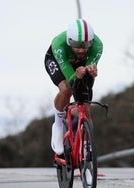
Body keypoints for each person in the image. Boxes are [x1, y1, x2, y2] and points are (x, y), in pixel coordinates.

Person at [44, 19, 103, 155]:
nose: (81, 50)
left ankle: (88, 147)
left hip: (79, 64)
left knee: (86, 107)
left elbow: (89, 71)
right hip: (58, 61)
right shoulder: (59, 44)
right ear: (69, 41)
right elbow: (71, 79)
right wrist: (76, 76)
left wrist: (91, 71)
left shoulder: (98, 46)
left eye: (86, 45)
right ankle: (58, 125)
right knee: (66, 89)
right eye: (77, 45)